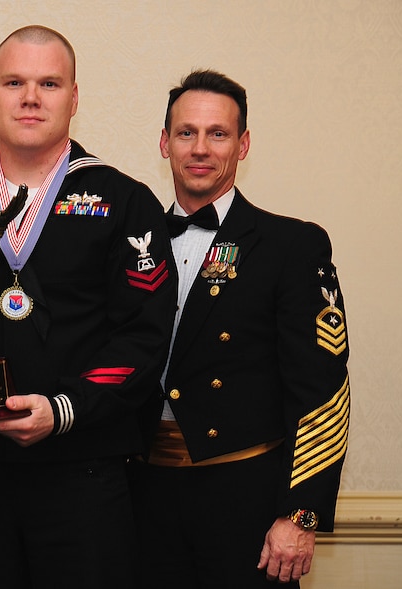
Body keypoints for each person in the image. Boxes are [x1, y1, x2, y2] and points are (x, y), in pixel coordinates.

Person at [0, 25, 176, 589]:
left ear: (74, 97)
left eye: (49, 82)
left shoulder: (124, 201)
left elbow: (143, 339)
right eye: (14, 81)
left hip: (85, 475)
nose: (30, 97)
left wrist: (64, 408)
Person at [128, 69, 350, 588]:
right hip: (140, 493)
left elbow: (321, 389)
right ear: (165, 143)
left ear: (243, 144)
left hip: (244, 497)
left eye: (218, 133)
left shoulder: (290, 246)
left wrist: (300, 516)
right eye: (186, 133)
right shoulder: (127, 244)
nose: (200, 148)